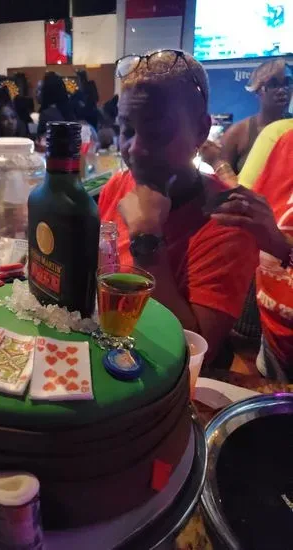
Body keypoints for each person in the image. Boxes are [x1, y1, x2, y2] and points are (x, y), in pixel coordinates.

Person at [98, 49, 258, 363]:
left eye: (156, 132)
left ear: (201, 131)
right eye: (127, 130)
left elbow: (191, 353)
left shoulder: (230, 221)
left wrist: (146, 238)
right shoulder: (117, 186)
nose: (135, 149)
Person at [212, 131, 293, 381]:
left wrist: (281, 246)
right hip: (273, 344)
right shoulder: (287, 142)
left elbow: (274, 239)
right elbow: (257, 215)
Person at [201, 59, 292, 184]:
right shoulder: (238, 134)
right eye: (273, 84)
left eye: (287, 83)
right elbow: (221, 185)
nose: (282, 90)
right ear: (257, 90)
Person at [36, 72, 75, 137]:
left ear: (47, 91)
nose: (37, 94)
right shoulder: (68, 110)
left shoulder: (47, 114)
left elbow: (42, 139)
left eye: (41, 90)